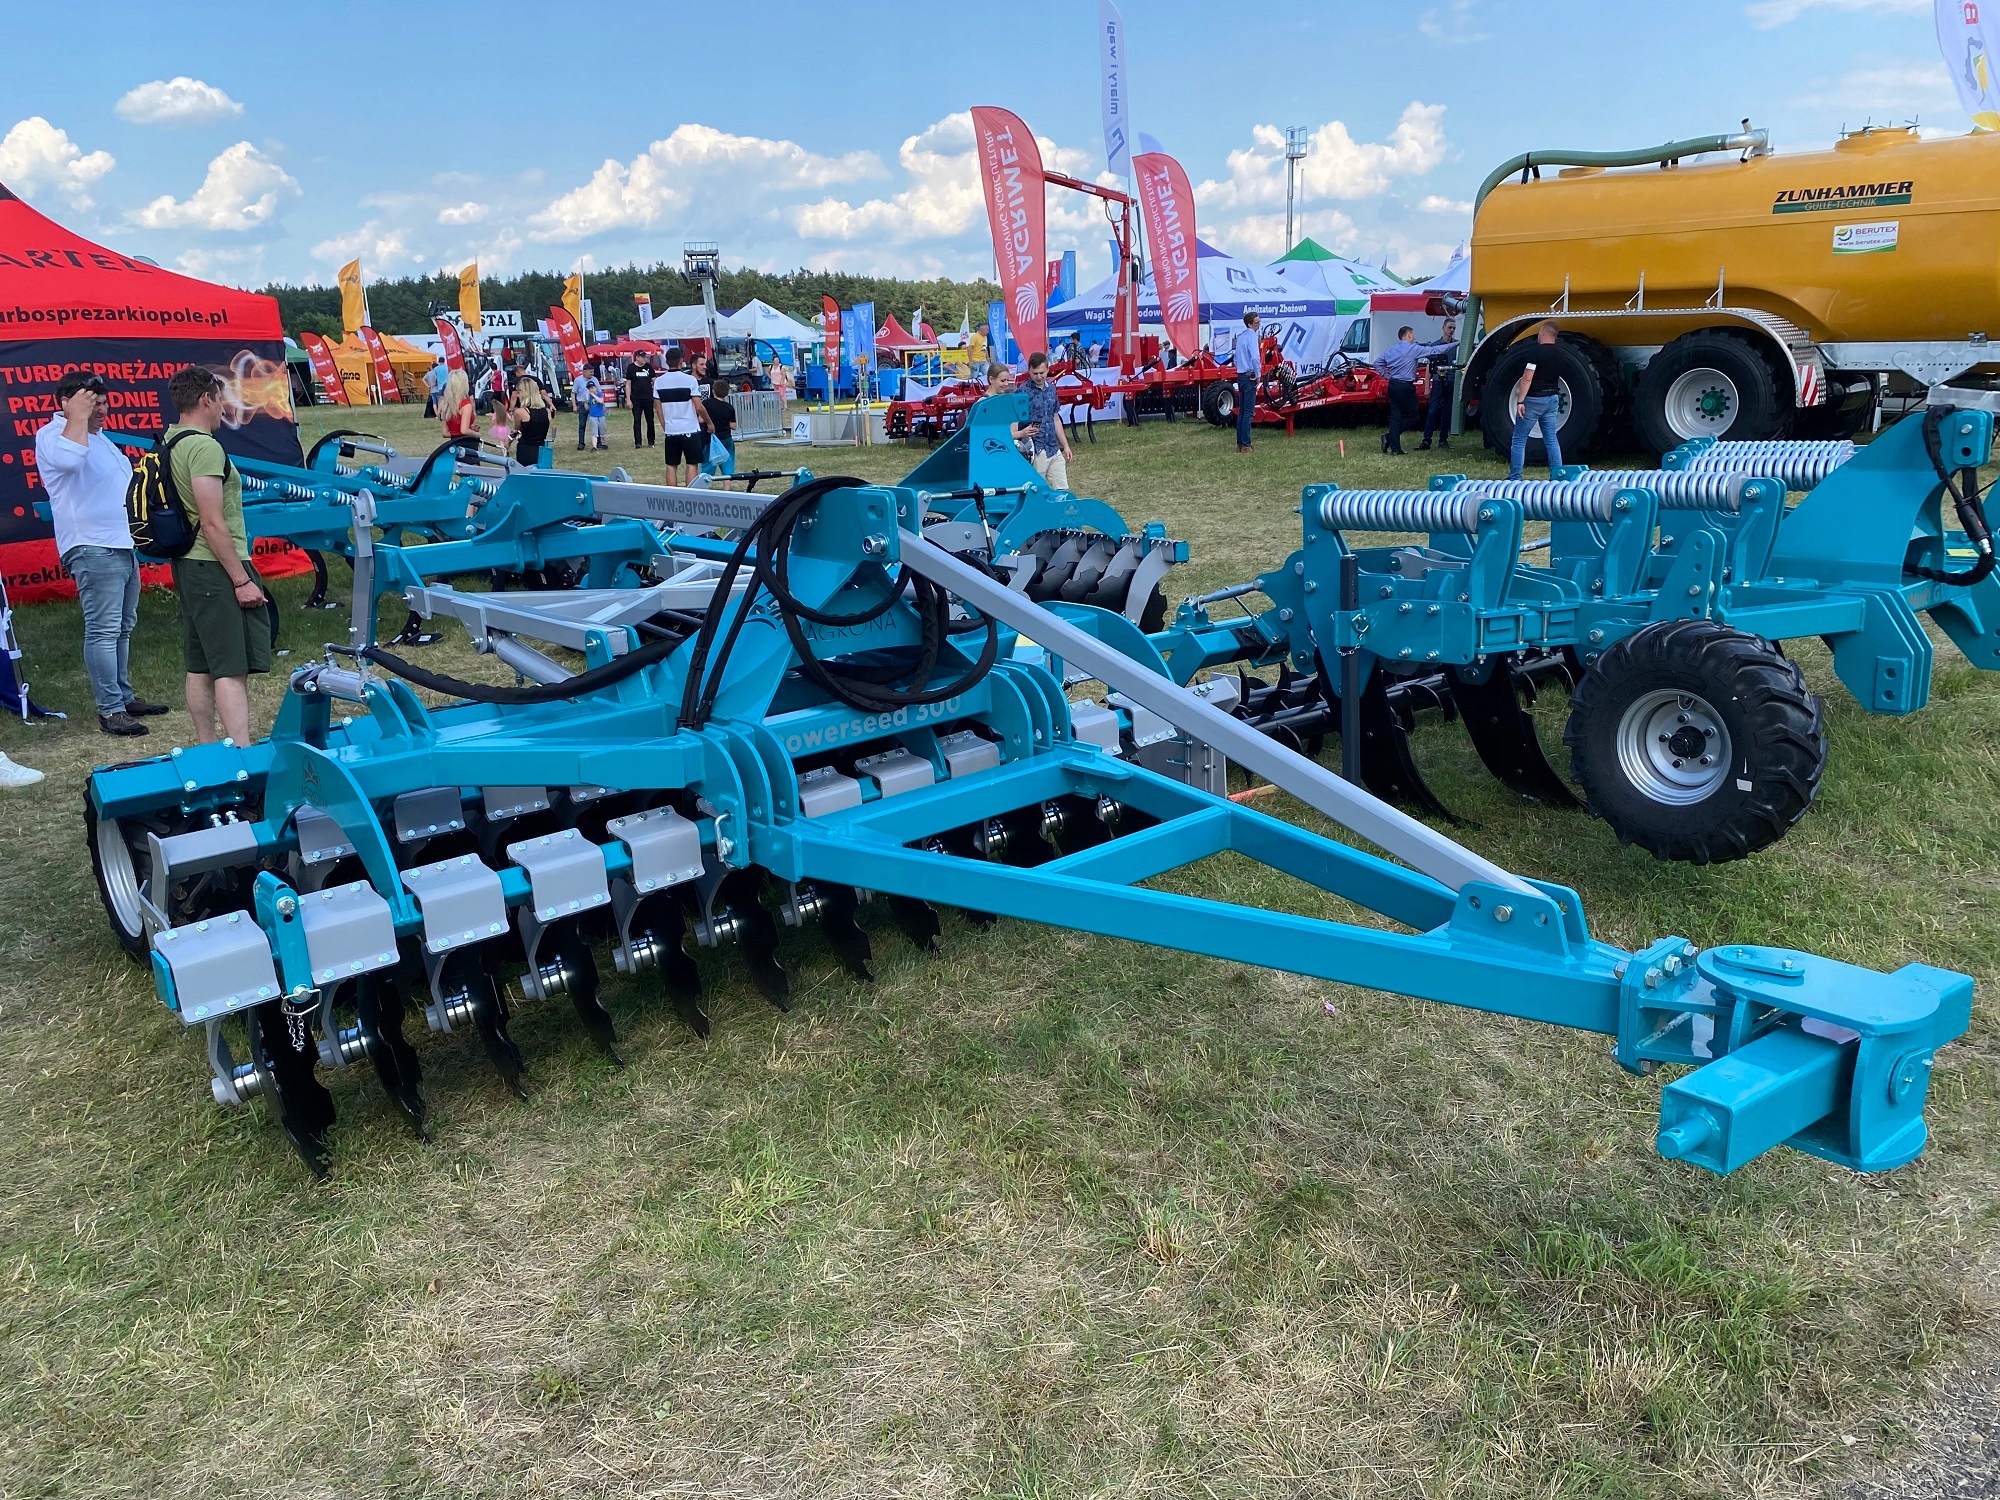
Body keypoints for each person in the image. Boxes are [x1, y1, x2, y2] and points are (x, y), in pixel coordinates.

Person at [35, 371, 166, 736]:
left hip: (121, 543)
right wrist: (76, 415)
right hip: (92, 545)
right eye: (93, 403)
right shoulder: (52, 435)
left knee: (123, 627)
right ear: (68, 403)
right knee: (104, 630)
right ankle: (110, 710)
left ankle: (123, 697)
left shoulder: (100, 438)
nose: (102, 409)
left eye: (105, 402)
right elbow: (70, 461)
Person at [164, 365, 269, 747]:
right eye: (220, 399)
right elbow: (211, 521)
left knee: (200, 664)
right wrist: (241, 580)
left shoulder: (171, 441)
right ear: (206, 399)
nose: (224, 407)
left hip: (189, 564)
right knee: (230, 666)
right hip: (214, 565)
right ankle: (241, 752)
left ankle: (208, 748)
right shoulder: (204, 447)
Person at [1375, 324, 1456, 455]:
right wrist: (1455, 344)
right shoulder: (1413, 349)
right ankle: (1389, 437)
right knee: (1413, 417)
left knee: (1396, 417)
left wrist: (1387, 376)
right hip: (1405, 387)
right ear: (1408, 335)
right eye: (1413, 335)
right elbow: (1435, 350)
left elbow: (1377, 363)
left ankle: (1395, 448)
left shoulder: (1391, 349)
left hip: (1393, 385)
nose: (1414, 338)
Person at [1508, 321, 1566, 480]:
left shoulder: (1535, 352)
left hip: (1534, 399)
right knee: (1551, 439)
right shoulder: (1561, 354)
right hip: (1553, 399)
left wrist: (1520, 401)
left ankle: (1515, 477)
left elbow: (1527, 378)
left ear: (1543, 333)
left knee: (1519, 439)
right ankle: (1558, 476)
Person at [1021, 351, 1074, 490]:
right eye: (1035, 373)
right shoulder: (1022, 392)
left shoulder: (1051, 389)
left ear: (1048, 369)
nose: (1039, 376)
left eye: (1042, 373)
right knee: (1037, 491)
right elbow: (1014, 422)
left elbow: (1055, 418)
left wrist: (1066, 446)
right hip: (1035, 449)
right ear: (1029, 371)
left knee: (1063, 490)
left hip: (1053, 448)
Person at [656, 347, 707, 486]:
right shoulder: (690, 380)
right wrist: (709, 422)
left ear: (667, 361)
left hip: (671, 429)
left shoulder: (659, 382)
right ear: (681, 361)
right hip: (690, 428)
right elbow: (698, 406)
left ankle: (672, 493)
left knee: (671, 465)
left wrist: (665, 426)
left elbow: (658, 409)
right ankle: (690, 493)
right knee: (692, 463)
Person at [1417, 317, 1459, 452]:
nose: (1451, 330)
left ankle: (1443, 439)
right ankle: (1426, 440)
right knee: (1433, 410)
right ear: (1443, 328)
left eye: (1453, 328)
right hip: (1437, 381)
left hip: (1451, 381)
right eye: (1449, 327)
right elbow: (1429, 368)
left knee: (1447, 411)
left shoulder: (1456, 346)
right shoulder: (1435, 346)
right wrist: (1426, 387)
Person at [1231, 312, 1261, 453]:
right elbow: (1255, 357)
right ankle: (1246, 444)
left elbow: (1236, 358)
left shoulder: (1241, 337)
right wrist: (1258, 373)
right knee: (1248, 412)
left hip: (1241, 375)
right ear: (1250, 324)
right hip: (1249, 376)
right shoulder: (1252, 336)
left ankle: (1240, 444)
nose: (1259, 325)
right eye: (1256, 322)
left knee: (1242, 412)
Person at [509, 376, 552, 467]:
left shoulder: (520, 412)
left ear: (525, 393)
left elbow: (516, 430)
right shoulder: (547, 411)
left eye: (519, 392)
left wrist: (509, 440)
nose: (518, 395)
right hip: (541, 449)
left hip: (526, 450)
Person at [701, 378, 737, 479]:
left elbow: (700, 419)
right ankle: (727, 486)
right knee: (727, 466)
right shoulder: (729, 407)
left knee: (708, 466)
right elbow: (733, 426)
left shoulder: (707, 403)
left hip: (710, 439)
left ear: (713, 391)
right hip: (726, 438)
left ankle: (706, 484)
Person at [625, 353, 656, 448]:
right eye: (642, 357)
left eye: (645, 357)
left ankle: (651, 441)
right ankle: (638, 442)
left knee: (650, 420)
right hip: (636, 399)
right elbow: (628, 384)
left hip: (648, 398)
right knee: (637, 420)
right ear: (637, 357)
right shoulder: (631, 368)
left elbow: (654, 380)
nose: (644, 359)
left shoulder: (648, 367)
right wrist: (628, 399)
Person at [439, 370, 476, 440]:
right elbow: (464, 430)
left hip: (453, 443)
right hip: (467, 442)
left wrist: (470, 428)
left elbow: (445, 433)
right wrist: (477, 435)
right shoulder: (466, 405)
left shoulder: (446, 404)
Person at [586, 374, 608, 450]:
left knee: (603, 431)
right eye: (589, 389)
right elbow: (587, 407)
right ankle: (594, 446)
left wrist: (594, 395)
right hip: (593, 416)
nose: (591, 390)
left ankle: (604, 444)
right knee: (594, 432)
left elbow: (601, 401)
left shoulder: (599, 394)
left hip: (601, 415)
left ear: (595, 388)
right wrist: (585, 402)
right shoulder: (588, 396)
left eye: (592, 388)